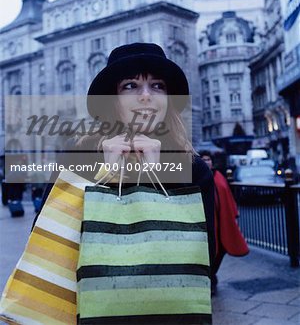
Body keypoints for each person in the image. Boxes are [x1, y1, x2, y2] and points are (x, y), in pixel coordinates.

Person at [36, 42, 215, 268]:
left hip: (167, 298)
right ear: (113, 99)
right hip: (84, 298)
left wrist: (158, 176)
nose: (146, 96)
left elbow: (202, 254)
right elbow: (48, 236)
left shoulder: (193, 167)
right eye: (131, 85)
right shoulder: (79, 156)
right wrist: (104, 176)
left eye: (157, 85)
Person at [200, 150, 249, 295]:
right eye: (203, 159)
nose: (206, 162)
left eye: (208, 159)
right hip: (207, 223)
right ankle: (209, 280)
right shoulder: (198, 176)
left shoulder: (219, 176)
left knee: (221, 250)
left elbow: (227, 194)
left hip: (221, 222)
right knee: (208, 252)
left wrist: (233, 212)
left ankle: (212, 275)